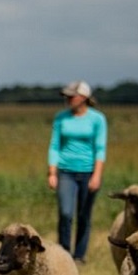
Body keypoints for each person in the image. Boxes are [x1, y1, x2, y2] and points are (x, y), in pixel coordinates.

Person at [48, 80, 106, 263]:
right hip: (65, 171)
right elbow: (54, 145)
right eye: (67, 96)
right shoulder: (61, 118)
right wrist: (52, 172)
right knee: (66, 213)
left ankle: (79, 255)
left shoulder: (97, 119)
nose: (68, 99)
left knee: (83, 215)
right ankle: (64, 252)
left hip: (88, 172)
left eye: (72, 96)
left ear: (84, 97)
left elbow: (100, 148)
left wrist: (97, 175)